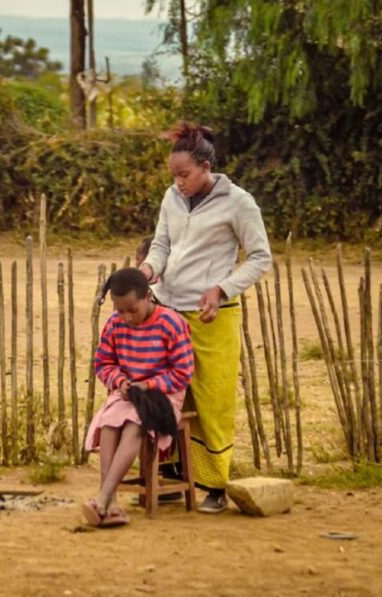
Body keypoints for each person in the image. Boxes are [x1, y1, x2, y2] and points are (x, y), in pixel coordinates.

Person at [139, 122, 272, 514]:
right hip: (167, 311)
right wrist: (148, 270)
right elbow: (161, 245)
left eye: (184, 175)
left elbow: (260, 257)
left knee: (212, 399)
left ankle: (214, 485)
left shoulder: (239, 203)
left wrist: (222, 289)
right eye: (174, 176)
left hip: (212, 316)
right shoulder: (171, 197)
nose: (178, 183)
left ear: (206, 167)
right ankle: (167, 477)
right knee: (166, 395)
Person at [82, 268, 194, 527]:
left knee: (135, 423)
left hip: (163, 397)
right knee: (110, 421)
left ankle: (102, 498)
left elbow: (183, 373)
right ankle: (111, 504)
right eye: (120, 310)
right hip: (128, 393)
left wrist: (149, 385)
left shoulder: (171, 323)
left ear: (148, 297)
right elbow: (103, 363)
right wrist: (119, 381)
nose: (126, 317)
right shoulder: (114, 324)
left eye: (132, 310)